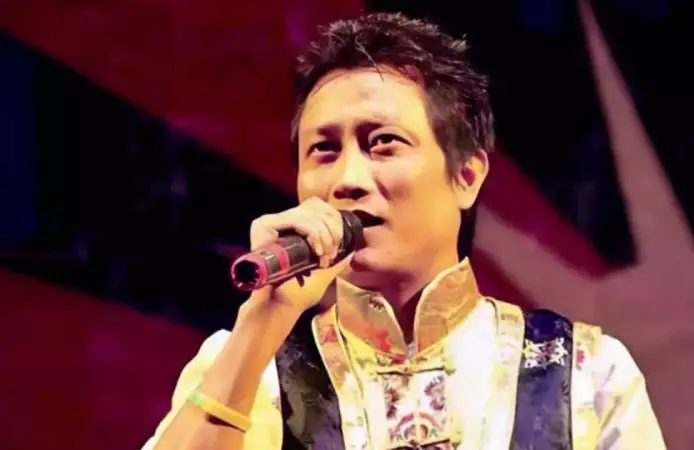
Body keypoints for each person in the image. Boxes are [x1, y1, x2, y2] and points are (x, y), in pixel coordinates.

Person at [143, 12, 665, 450]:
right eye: (324, 150)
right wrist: (260, 325)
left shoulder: (585, 375)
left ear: (466, 177)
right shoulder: (247, 368)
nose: (347, 180)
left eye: (383, 143)